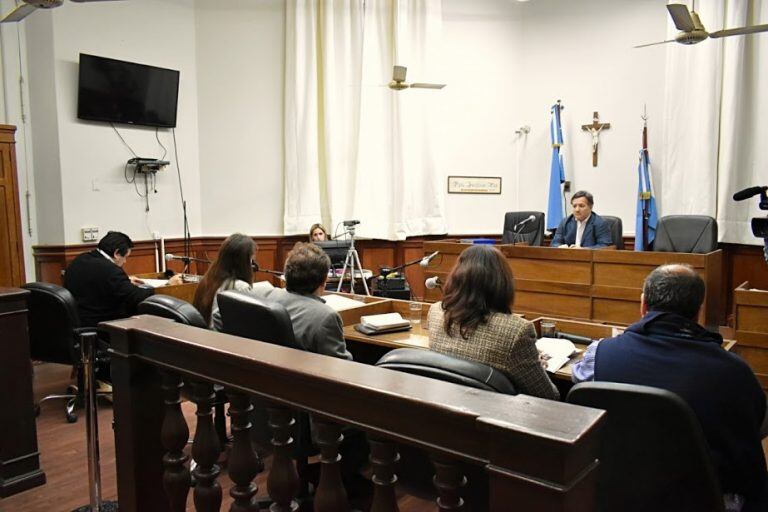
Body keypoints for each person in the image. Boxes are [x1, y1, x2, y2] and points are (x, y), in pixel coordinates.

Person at [572, 264, 768, 511]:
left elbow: (579, 386)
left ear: (643, 306)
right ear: (699, 312)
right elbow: (756, 426)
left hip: (617, 492)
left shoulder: (598, 355)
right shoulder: (735, 372)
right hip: (703, 499)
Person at [427, 245, 559, 400]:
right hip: (495, 417)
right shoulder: (516, 330)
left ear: (456, 278)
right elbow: (548, 397)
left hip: (446, 407)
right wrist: (537, 365)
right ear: (502, 282)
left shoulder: (436, 312)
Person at [251, 242, 352, 360]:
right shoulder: (326, 317)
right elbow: (340, 365)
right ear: (325, 280)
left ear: (286, 275)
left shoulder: (264, 295)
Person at [64, 231, 182, 328]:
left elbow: (100, 282)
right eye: (125, 257)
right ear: (116, 253)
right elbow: (136, 297)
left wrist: (124, 281)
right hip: (101, 324)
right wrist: (167, 286)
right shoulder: (110, 270)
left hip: (78, 321)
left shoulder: (80, 259)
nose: (125, 262)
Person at [193, 233, 257, 329]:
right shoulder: (240, 287)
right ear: (243, 261)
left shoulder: (209, 280)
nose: (252, 264)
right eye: (251, 259)